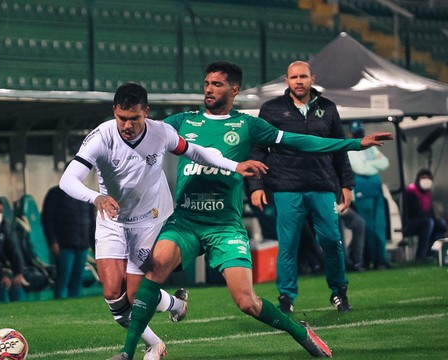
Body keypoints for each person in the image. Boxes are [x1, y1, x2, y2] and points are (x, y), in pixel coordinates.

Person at [109, 62, 392, 360]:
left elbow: (300, 142)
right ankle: (127, 353)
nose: (208, 89)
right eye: (206, 83)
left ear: (234, 89)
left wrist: (354, 144)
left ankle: (301, 332)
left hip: (225, 226)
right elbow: (139, 131)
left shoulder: (247, 125)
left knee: (247, 302)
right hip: (186, 221)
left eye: (217, 84)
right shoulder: (183, 121)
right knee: (155, 268)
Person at [61, 82, 258, 360]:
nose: (127, 125)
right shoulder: (101, 137)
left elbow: (194, 151)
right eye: (121, 118)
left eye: (134, 119)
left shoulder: (161, 132)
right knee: (113, 298)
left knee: (134, 295)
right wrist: (96, 198)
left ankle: (155, 339)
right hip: (111, 219)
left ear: (147, 113)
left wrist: (233, 165)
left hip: (148, 221)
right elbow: (67, 180)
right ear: (114, 112)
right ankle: (164, 328)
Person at [249, 61, 356, 314]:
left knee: (332, 240)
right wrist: (255, 185)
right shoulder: (271, 109)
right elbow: (257, 149)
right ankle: (286, 298)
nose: (299, 81)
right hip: (286, 188)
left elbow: (340, 148)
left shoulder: (328, 108)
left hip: (322, 186)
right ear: (286, 80)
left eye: (303, 76)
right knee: (288, 245)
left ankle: (339, 292)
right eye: (294, 77)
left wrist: (347, 184)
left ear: (312, 79)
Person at [347, 120, 391, 269]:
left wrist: (370, 165)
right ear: (351, 134)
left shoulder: (371, 147)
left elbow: (385, 163)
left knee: (380, 225)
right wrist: (374, 165)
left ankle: (381, 260)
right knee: (368, 227)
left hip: (376, 190)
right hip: (362, 191)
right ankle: (369, 259)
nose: (359, 134)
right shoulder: (351, 147)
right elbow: (360, 168)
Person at [42, 182, 96, 299]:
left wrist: (93, 243)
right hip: (64, 245)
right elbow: (47, 219)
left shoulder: (85, 194)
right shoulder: (55, 194)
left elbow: (91, 221)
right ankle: (59, 306)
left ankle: (75, 306)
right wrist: (53, 241)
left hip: (82, 245)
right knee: (63, 278)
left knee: (77, 278)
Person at [404, 169, 447, 260]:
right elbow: (413, 211)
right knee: (429, 222)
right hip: (410, 223)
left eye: (428, 178)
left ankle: (432, 253)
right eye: (423, 178)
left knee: (440, 224)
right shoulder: (411, 192)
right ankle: (421, 254)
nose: (426, 180)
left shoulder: (427, 193)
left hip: (425, 220)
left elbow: (431, 212)